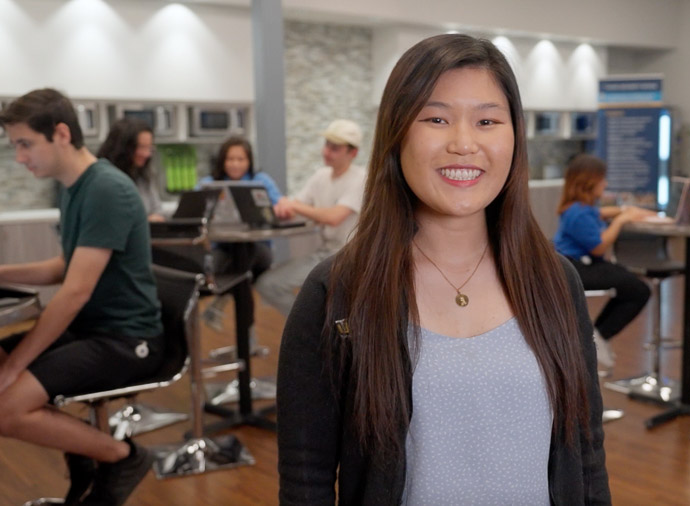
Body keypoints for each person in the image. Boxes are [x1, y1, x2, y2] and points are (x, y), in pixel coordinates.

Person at [277, 34, 611, 505]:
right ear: (397, 134)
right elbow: (305, 477)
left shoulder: (554, 282)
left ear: (513, 136)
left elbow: (587, 453)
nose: (463, 143)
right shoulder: (338, 292)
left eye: (487, 121)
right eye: (436, 118)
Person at [0, 89, 162, 505]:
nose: (20, 157)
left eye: (24, 144)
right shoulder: (72, 186)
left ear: (60, 133)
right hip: (92, 330)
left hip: (126, 339)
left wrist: (16, 366)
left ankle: (123, 456)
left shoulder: (106, 188)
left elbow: (74, 292)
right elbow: (64, 266)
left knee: (6, 408)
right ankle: (86, 460)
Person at [254, 119, 366, 316]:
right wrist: (284, 207)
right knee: (268, 284)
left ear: (353, 153)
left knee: (271, 285)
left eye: (335, 148)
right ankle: (313, 327)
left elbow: (333, 217)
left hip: (351, 259)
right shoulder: (321, 176)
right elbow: (297, 206)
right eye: (326, 145)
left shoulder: (361, 178)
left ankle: (313, 327)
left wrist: (294, 205)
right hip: (325, 254)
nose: (326, 152)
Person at [553, 154, 654, 369]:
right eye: (602, 179)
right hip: (575, 268)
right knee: (637, 289)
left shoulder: (580, 208)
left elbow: (599, 213)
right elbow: (598, 246)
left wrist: (625, 211)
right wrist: (620, 221)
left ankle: (598, 335)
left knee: (631, 284)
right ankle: (598, 337)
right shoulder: (578, 213)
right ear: (589, 182)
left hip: (581, 264)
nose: (605, 184)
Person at [197, 137, 280, 328]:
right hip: (223, 250)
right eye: (230, 159)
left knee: (245, 257)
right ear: (222, 161)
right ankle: (247, 340)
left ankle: (219, 304)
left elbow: (279, 207)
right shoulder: (209, 183)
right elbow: (194, 210)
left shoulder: (261, 181)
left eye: (240, 159)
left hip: (259, 252)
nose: (235, 164)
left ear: (249, 161)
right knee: (238, 276)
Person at [96, 117, 165, 222]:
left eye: (149, 148)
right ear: (123, 148)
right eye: (141, 147)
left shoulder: (143, 176)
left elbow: (158, 211)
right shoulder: (103, 180)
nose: (146, 154)